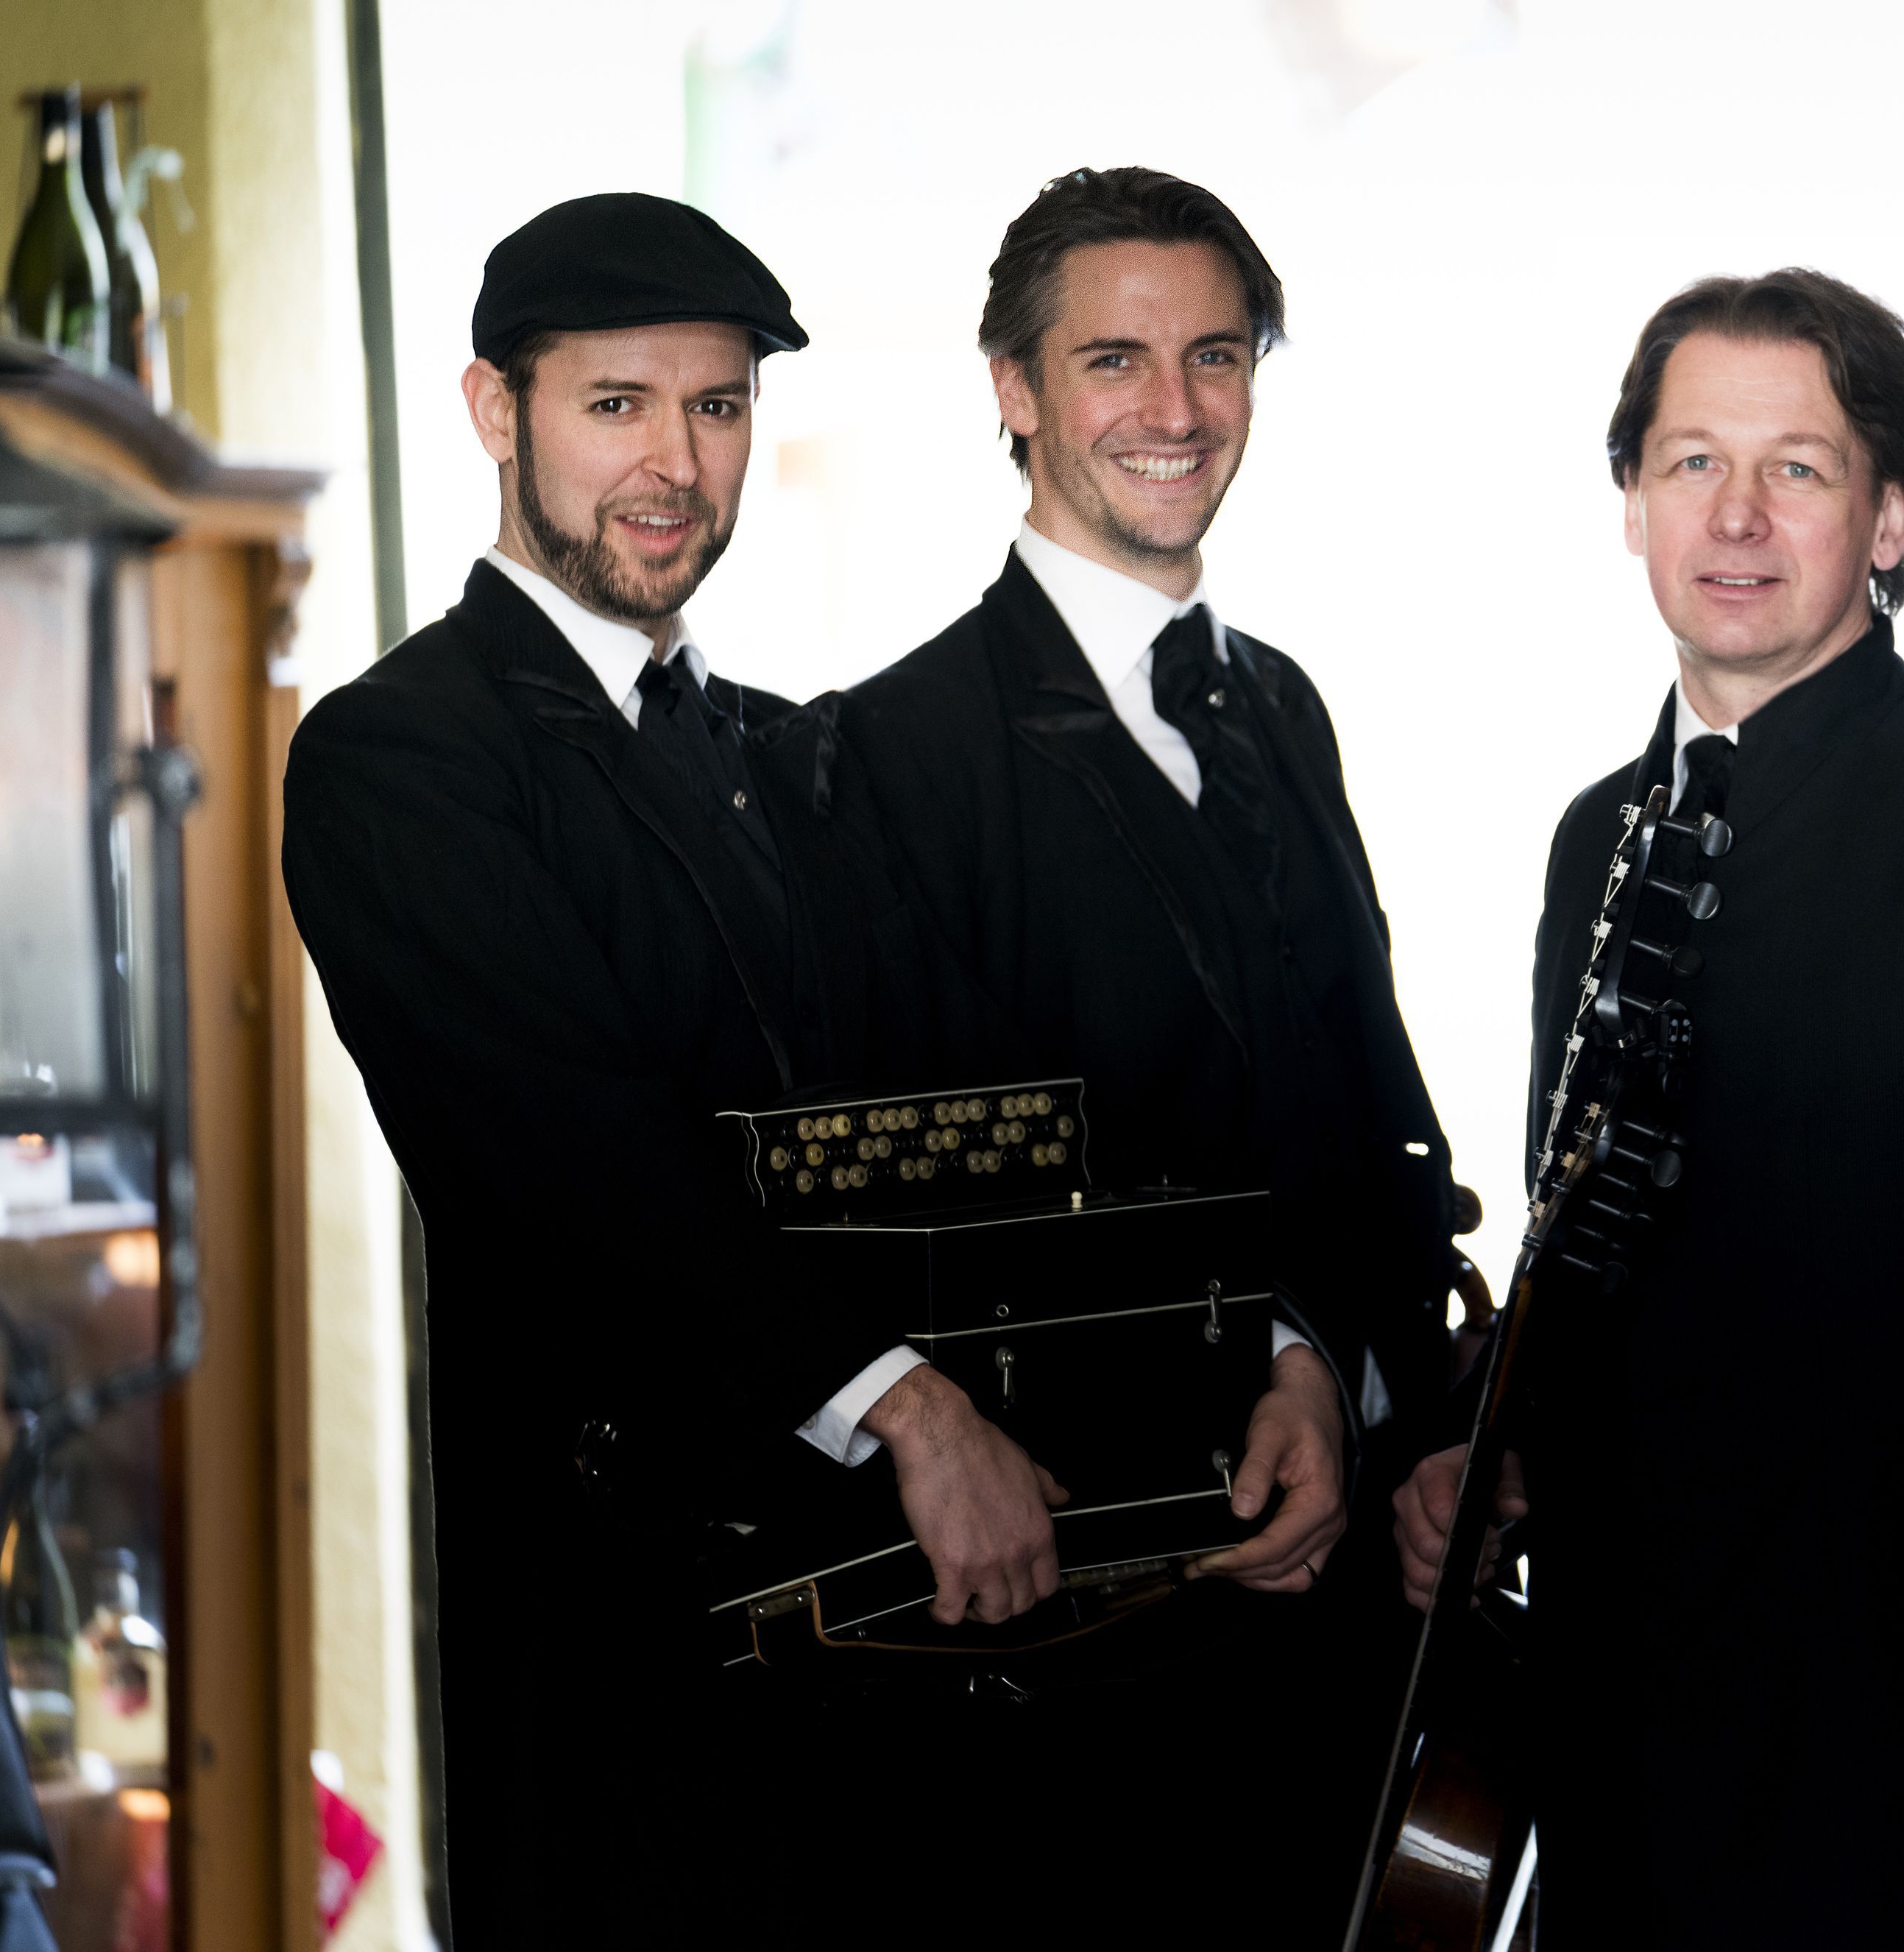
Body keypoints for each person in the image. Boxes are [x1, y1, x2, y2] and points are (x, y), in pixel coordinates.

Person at [1392, 269, 1904, 1945]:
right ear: (1630, 504)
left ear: (1888, 520)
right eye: (1691, 462)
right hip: (1618, 1704)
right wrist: (1499, 1442)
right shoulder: (1593, 835)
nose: (1736, 515)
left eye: (1799, 469)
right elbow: (1599, 1246)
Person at [280, 194, 978, 1938]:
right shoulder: (397, 755)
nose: (674, 462)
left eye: (717, 406)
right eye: (616, 404)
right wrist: (909, 1402)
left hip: (872, 1640)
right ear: (492, 410)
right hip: (619, 1659)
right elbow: (574, 1164)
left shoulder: (782, 757)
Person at [817, 167, 1462, 1941]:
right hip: (1085, 1647)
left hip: (1340, 1634)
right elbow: (948, 1209)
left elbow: (1354, 1115)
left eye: (1215, 356)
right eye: (1113, 359)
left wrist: (1326, 1362)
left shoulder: (1284, 704)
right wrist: (1254, 1363)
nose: (1173, 409)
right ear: (1013, 391)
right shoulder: (884, 756)